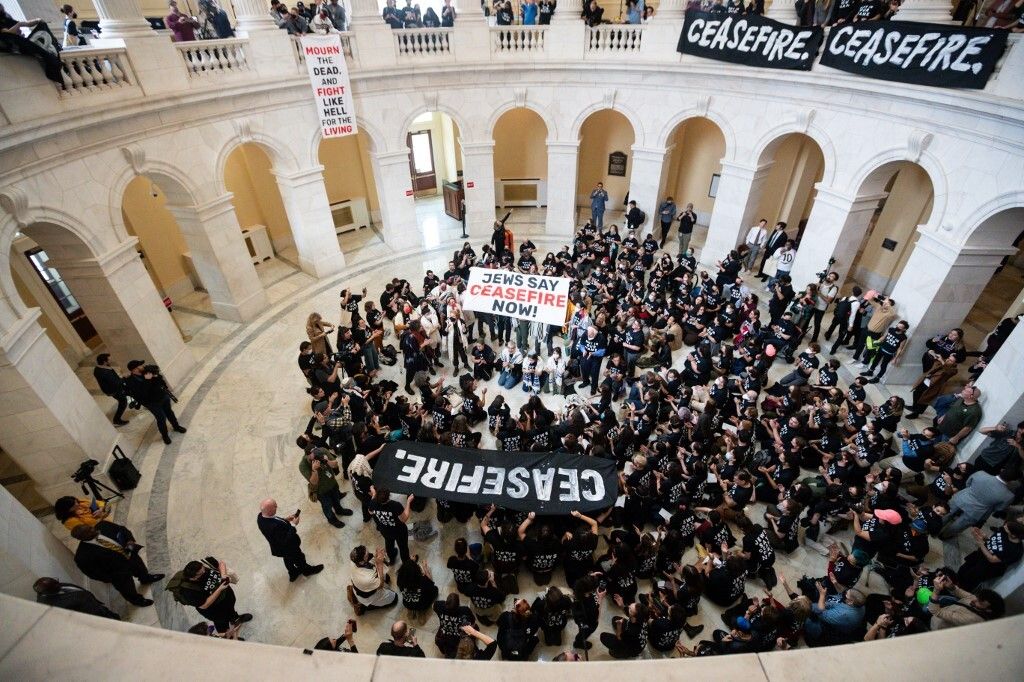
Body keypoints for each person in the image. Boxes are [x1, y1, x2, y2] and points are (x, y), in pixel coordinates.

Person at [71, 523, 163, 607]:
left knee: (140, 568)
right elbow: (93, 574)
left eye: (90, 527)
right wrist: (113, 578)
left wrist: (130, 540)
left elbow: (122, 529)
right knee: (128, 589)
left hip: (129, 555)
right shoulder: (82, 556)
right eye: (88, 531)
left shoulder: (103, 525)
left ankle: (145, 578)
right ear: (81, 538)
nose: (93, 530)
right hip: (119, 574)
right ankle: (137, 600)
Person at [173, 558, 252, 636]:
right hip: (215, 611)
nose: (205, 572)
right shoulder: (187, 591)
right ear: (194, 577)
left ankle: (235, 619)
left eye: (204, 569)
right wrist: (219, 589)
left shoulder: (202, 566)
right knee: (221, 623)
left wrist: (223, 576)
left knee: (231, 611)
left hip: (227, 599)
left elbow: (221, 564)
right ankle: (226, 636)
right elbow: (204, 605)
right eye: (201, 573)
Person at [940, 467, 1019, 539]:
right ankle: (944, 535)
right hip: (976, 511)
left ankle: (937, 526)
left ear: (1002, 470)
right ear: (1012, 481)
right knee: (959, 524)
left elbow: (968, 484)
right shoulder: (1009, 496)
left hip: (962, 498)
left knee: (947, 513)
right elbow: (998, 508)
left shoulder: (981, 474)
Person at [256, 498, 324, 581]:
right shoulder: (274, 527)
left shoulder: (261, 516)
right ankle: (307, 570)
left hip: (279, 548)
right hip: (289, 547)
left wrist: (285, 520)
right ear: (269, 511)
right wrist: (293, 525)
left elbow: (274, 522)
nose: (277, 506)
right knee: (299, 558)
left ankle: (293, 573)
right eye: (275, 506)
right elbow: (285, 540)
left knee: (287, 559)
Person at [126, 360, 186, 445]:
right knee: (161, 418)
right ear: (134, 369)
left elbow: (161, 381)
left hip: (163, 397)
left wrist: (156, 376)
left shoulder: (147, 371)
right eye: (140, 365)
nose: (143, 366)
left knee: (170, 413)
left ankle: (176, 426)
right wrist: (147, 380)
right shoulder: (131, 381)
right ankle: (165, 436)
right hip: (152, 403)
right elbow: (142, 394)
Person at [956, 520, 1023, 591]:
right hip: (978, 556)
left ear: (1013, 535)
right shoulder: (1003, 531)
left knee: (968, 581)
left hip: (986, 567)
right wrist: (983, 536)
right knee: (962, 570)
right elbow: (994, 543)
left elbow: (992, 559)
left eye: (1007, 529)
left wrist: (980, 544)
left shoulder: (1015, 551)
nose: (1004, 527)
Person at [926, 573, 1005, 629]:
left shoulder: (971, 619)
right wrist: (951, 586)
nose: (974, 600)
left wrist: (936, 590)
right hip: (940, 615)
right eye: (978, 597)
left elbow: (935, 611)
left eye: (980, 602)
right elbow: (960, 593)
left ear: (988, 610)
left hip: (936, 625)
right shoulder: (976, 600)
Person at [368, 486, 414, 564]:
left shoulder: (373, 502)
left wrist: (374, 494)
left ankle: (392, 559)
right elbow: (404, 519)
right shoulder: (395, 505)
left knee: (389, 543)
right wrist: (408, 502)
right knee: (403, 547)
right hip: (399, 531)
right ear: (389, 496)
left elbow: (370, 512)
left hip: (384, 529)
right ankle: (406, 563)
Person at [34, 577, 119, 619]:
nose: (59, 584)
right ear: (48, 591)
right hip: (94, 617)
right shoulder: (49, 606)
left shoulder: (55, 585)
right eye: (55, 585)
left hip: (97, 607)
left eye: (57, 581)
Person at [349, 546, 398, 614]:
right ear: (361, 562)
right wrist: (380, 564)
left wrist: (377, 555)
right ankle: (366, 606)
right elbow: (381, 585)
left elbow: (371, 560)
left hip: (362, 585)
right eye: (367, 555)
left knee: (387, 578)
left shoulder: (353, 561)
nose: (369, 554)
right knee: (394, 598)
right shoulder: (367, 579)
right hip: (368, 596)